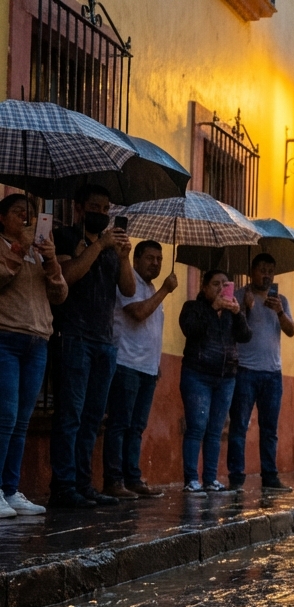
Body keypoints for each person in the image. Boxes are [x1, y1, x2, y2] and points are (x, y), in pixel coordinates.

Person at [49, 184, 136, 508]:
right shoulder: (66, 238)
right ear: (79, 208)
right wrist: (98, 245)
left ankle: (84, 484)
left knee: (91, 419)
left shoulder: (114, 249)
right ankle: (63, 485)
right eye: (95, 208)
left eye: (105, 209)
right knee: (70, 415)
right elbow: (68, 275)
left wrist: (124, 256)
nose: (101, 214)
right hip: (73, 337)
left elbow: (127, 289)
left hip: (105, 341)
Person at [0, 195, 67, 517]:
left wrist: (51, 260)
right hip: (6, 338)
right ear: (2, 218)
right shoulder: (3, 245)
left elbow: (60, 294)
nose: (26, 221)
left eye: (31, 216)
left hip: (37, 342)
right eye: (18, 214)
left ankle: (10, 490)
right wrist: (17, 250)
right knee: (5, 417)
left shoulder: (39, 255)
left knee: (22, 421)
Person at [103, 241, 177, 499]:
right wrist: (166, 291)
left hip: (147, 368)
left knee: (136, 427)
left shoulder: (151, 286)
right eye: (150, 258)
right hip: (125, 364)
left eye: (159, 258)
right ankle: (114, 480)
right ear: (136, 259)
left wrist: (155, 366)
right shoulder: (129, 281)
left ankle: (132, 478)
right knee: (120, 425)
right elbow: (138, 313)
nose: (155, 263)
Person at [228, 254, 294, 493]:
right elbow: (234, 331)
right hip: (245, 371)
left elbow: (291, 331)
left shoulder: (281, 300)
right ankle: (236, 478)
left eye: (270, 271)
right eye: (262, 270)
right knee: (239, 426)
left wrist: (279, 312)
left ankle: (270, 477)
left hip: (272, 374)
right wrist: (244, 309)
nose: (267, 275)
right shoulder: (239, 296)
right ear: (252, 272)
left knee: (270, 430)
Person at [179, 270, 251, 493]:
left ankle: (210, 479)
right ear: (204, 287)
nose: (220, 289)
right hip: (197, 375)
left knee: (216, 430)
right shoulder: (193, 307)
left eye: (225, 284)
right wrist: (213, 309)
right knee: (197, 427)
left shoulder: (231, 312)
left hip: (226, 378)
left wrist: (239, 313)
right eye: (215, 284)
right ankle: (191, 479)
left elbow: (246, 336)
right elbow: (191, 329)